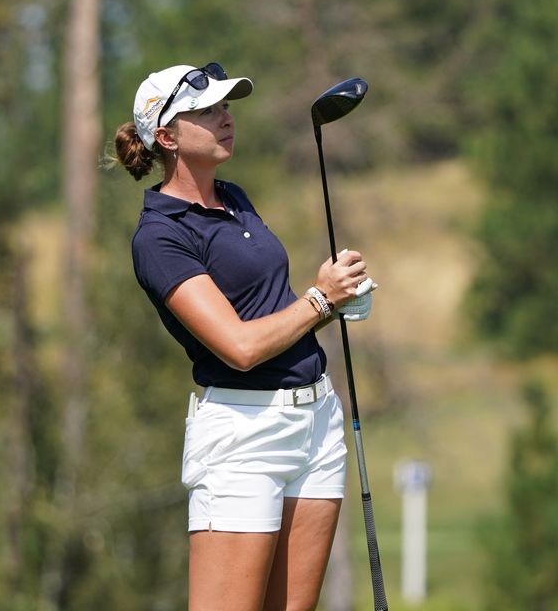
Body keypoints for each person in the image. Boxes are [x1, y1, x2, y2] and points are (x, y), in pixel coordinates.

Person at [111, 62, 375, 611]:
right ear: (166, 136)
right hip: (242, 437)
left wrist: (336, 297)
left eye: (226, 107)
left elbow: (276, 311)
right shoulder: (160, 236)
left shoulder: (234, 198)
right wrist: (320, 299)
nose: (225, 118)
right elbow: (240, 347)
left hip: (316, 422)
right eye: (206, 111)